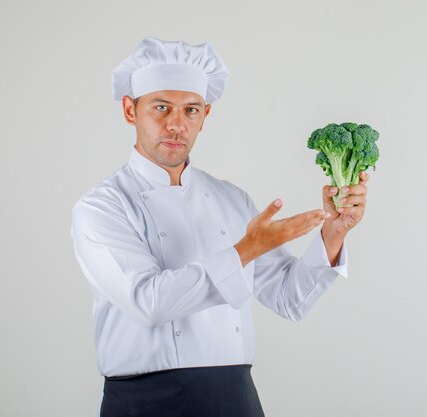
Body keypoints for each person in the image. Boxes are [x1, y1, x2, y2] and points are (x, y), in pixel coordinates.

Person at [70, 37, 369, 417]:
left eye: (191, 110)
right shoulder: (102, 206)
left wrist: (334, 232)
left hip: (235, 396)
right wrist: (248, 249)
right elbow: (149, 302)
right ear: (131, 110)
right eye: (161, 107)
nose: (176, 124)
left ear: (205, 115)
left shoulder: (232, 199)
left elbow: (289, 299)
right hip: (145, 401)